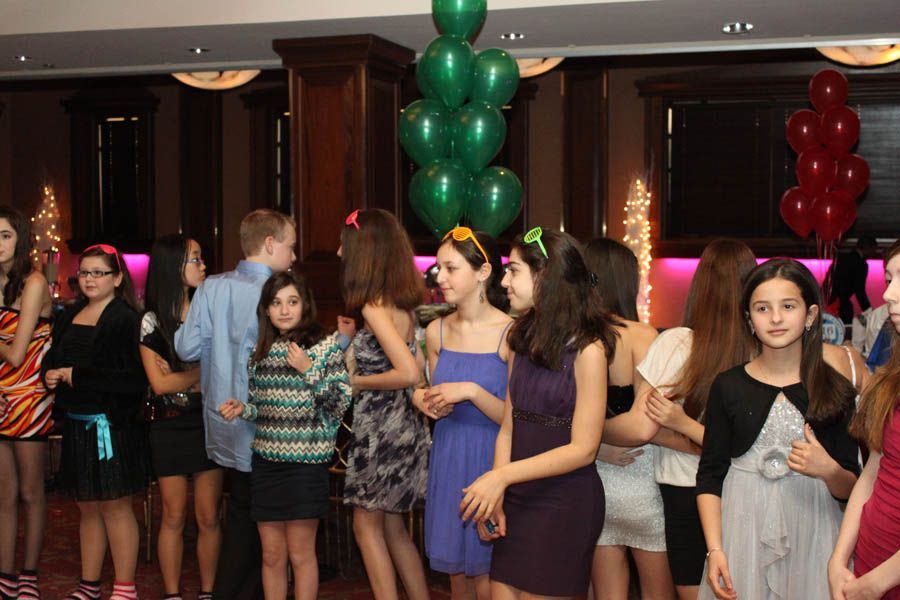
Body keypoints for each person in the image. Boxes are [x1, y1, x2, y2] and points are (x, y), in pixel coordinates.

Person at [459, 227, 616, 598]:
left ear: (545, 276)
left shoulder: (589, 351)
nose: (504, 280)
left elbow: (583, 449)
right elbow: (509, 428)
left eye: (513, 270)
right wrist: (497, 493)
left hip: (565, 502)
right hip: (517, 496)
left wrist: (501, 478)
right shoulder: (519, 339)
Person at [697, 258, 864, 600]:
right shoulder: (728, 386)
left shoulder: (833, 388)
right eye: (762, 308)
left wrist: (828, 469)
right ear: (748, 319)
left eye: (788, 306)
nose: (775, 318)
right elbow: (710, 474)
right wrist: (715, 549)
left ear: (811, 315)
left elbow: (853, 487)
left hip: (814, 530)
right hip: (742, 529)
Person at [601, 239, 757, 600]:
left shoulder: (677, 344)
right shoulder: (761, 349)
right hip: (742, 489)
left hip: (685, 494)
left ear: (699, 286)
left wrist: (588, 433)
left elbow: (644, 427)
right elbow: (743, 447)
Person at [174, 209, 296, 600]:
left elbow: (185, 347)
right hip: (266, 421)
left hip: (222, 421)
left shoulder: (212, 287)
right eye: (291, 247)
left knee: (243, 511)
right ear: (271, 244)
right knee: (264, 522)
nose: (294, 256)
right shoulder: (280, 292)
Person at [219, 271, 351, 600]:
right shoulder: (261, 354)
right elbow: (266, 409)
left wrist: (309, 371)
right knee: (271, 555)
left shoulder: (325, 347)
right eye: (276, 303)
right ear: (266, 309)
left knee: (301, 555)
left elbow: (339, 405)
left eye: (292, 301)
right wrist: (243, 409)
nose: (284, 310)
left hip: (306, 468)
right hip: (266, 465)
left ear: (305, 304)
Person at [42, 244, 147, 600]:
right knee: (86, 507)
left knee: (115, 506)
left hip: (111, 426)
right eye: (83, 273)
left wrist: (77, 375)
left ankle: (124, 587)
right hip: (76, 421)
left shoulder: (125, 319)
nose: (88, 279)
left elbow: (133, 380)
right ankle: (89, 584)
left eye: (97, 273)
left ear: (117, 278)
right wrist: (51, 376)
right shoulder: (68, 315)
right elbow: (53, 359)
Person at [412, 226, 512, 599]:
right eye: (438, 268)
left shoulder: (511, 334)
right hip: (449, 454)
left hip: (493, 459)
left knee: (491, 576)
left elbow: (517, 419)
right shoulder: (436, 331)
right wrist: (422, 400)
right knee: (457, 577)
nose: (440, 276)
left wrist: (471, 392)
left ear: (483, 272)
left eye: (451, 268)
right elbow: (425, 392)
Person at [339, 208, 431, 600]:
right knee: (394, 530)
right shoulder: (401, 305)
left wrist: (354, 381)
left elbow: (409, 372)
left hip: (381, 430)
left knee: (366, 528)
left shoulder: (373, 305)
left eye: (345, 244)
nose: (340, 253)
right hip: (404, 427)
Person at [583, 238, 672, 600]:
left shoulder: (575, 337)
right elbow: (642, 425)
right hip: (642, 482)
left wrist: (593, 441)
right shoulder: (642, 336)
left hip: (596, 479)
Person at [140, 235, 222, 600]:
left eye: (202, 258)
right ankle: (172, 594)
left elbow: (223, 373)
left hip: (210, 421)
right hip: (170, 423)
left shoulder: (211, 311)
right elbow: (160, 384)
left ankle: (207, 592)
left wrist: (188, 378)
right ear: (174, 267)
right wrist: (202, 374)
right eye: (195, 259)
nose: (203, 266)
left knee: (209, 516)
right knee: (173, 515)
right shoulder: (151, 321)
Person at [829, 239, 900, 600]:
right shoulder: (891, 376)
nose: (889, 292)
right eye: (889, 277)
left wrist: (875, 583)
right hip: (869, 558)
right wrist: (839, 559)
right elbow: (874, 469)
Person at [0, 206, 53, 600]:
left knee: (31, 493)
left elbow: (18, 355)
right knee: (4, 495)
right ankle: (5, 575)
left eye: (4, 235)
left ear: (19, 238)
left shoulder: (33, 283)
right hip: (0, 398)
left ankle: (29, 576)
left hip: (30, 398)